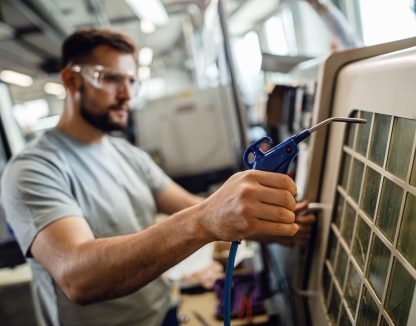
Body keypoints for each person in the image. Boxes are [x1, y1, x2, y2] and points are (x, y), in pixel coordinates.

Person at [1, 27, 312, 326]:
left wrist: (269, 222)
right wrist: (204, 219)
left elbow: (191, 205)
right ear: (70, 80)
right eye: (110, 79)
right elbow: (77, 278)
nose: (126, 94)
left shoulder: (126, 154)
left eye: (131, 81)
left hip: (162, 314)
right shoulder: (34, 168)